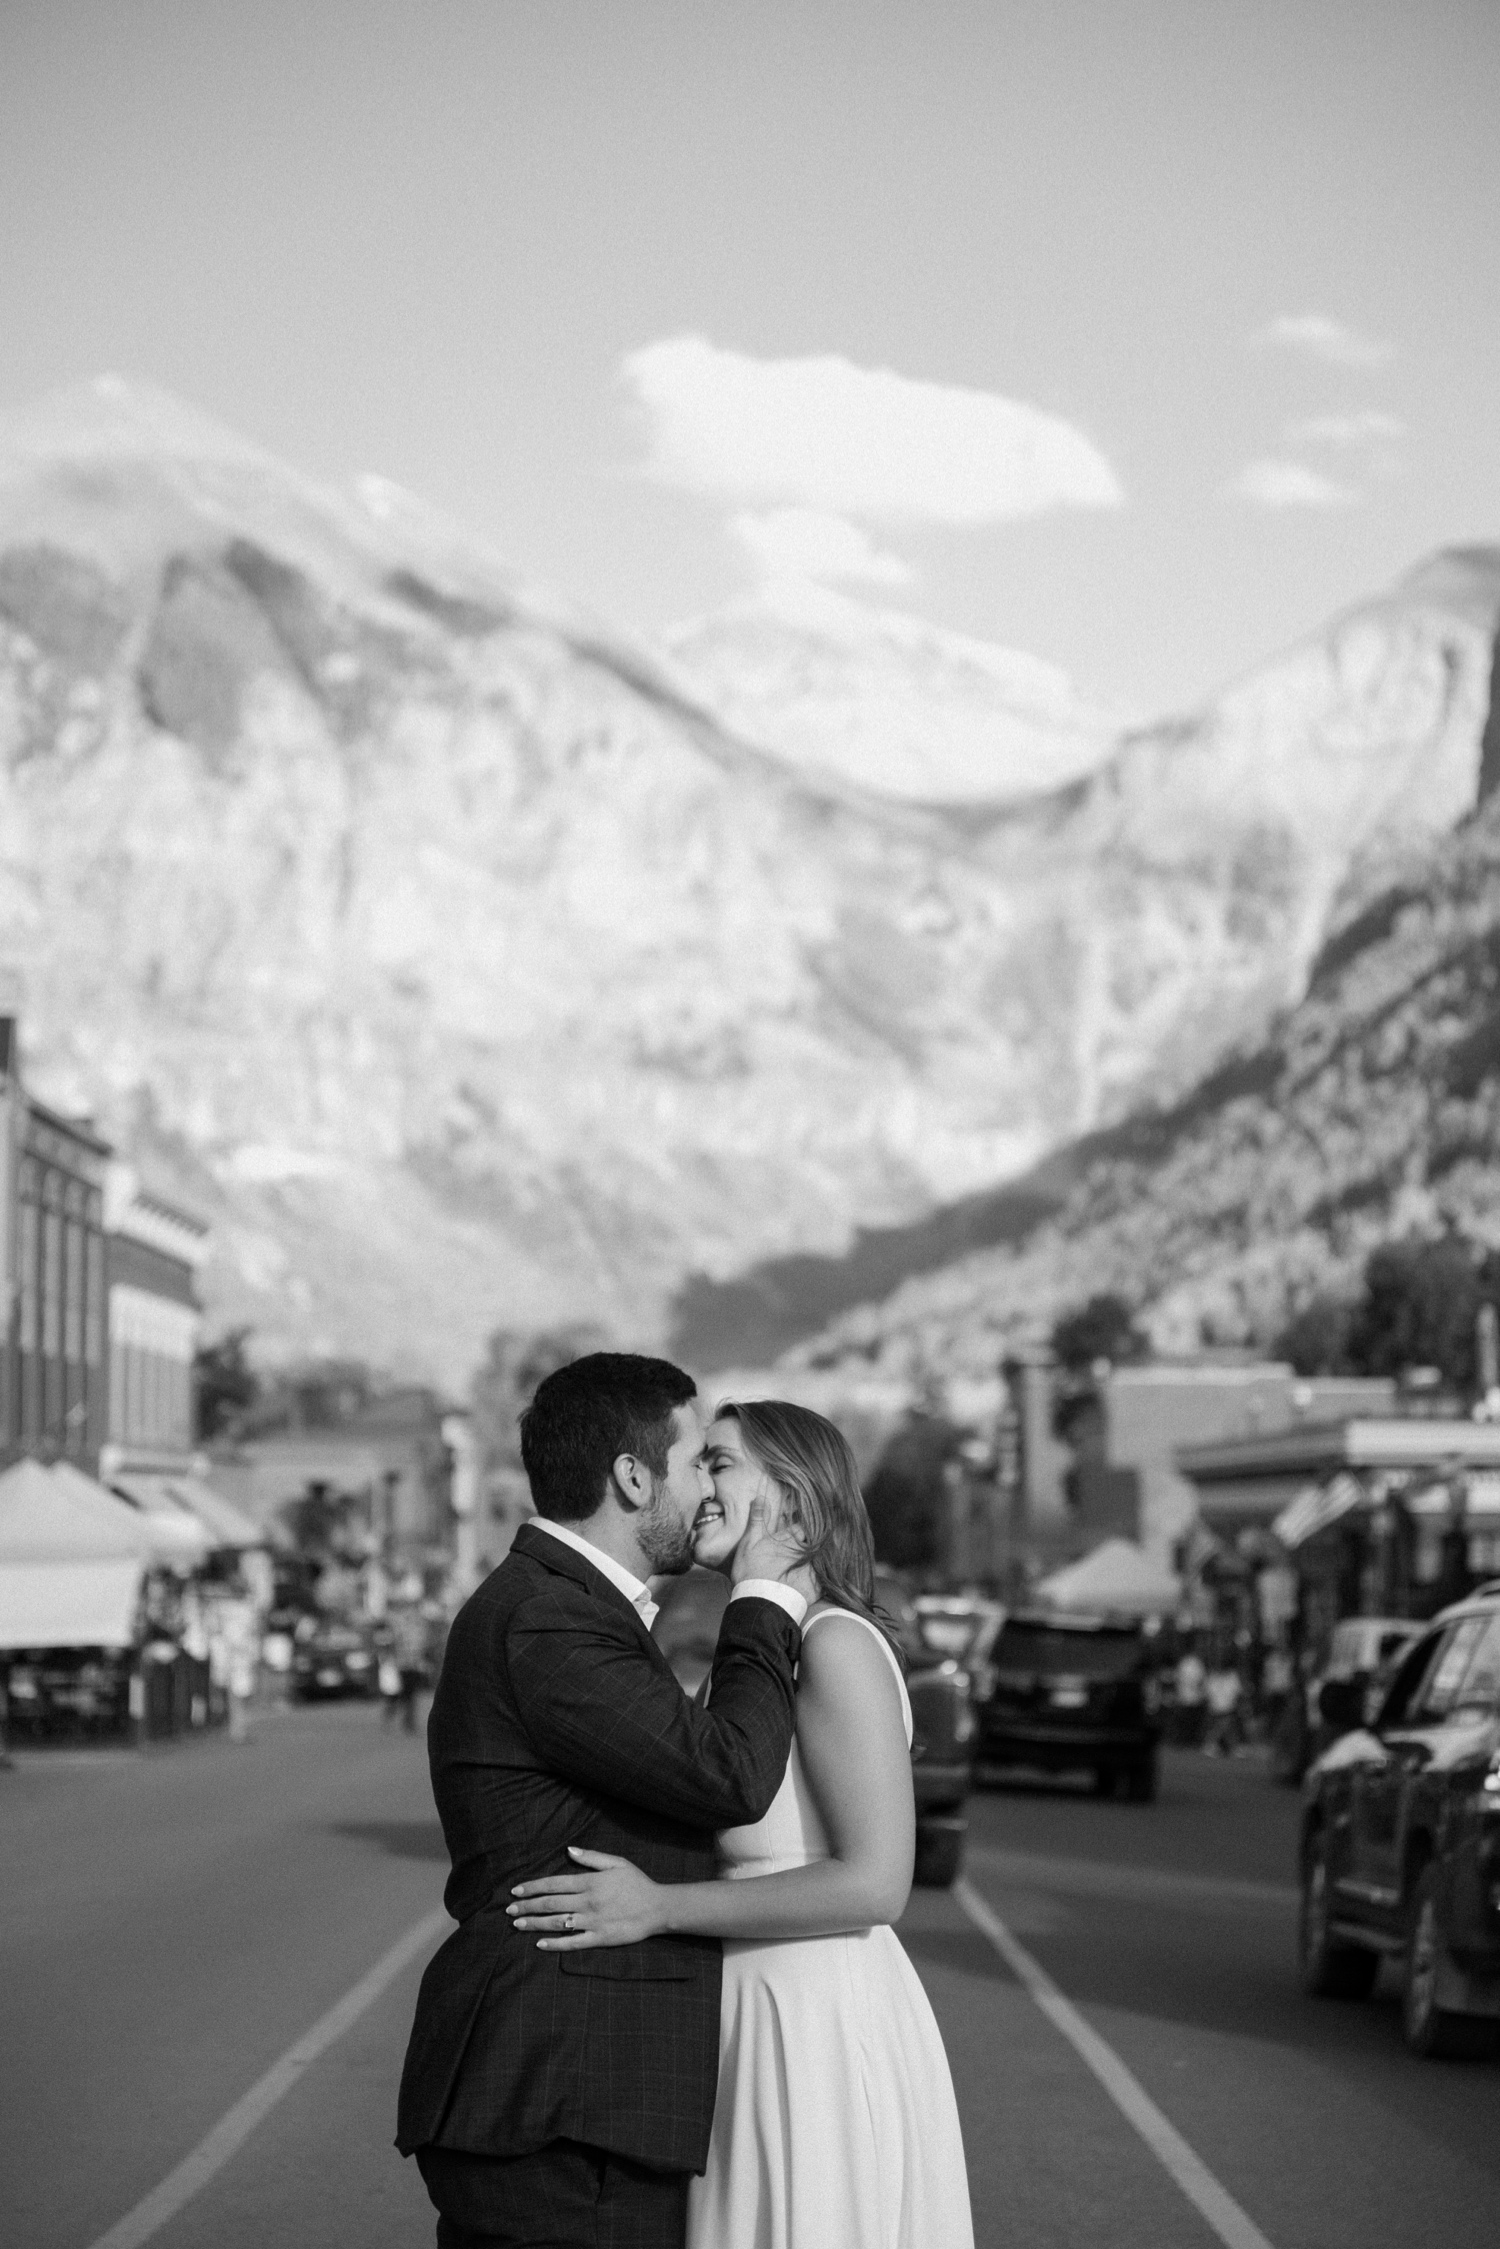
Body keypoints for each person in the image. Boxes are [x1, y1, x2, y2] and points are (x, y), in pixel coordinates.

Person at [510, 1399, 975, 2249]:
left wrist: (659, 1906)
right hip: (746, 2016)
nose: (697, 1485)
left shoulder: (834, 1643)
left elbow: (877, 1882)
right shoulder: (760, 1647)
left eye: (719, 1463)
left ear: (794, 1497)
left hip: (816, 2025)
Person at [396, 1353, 810, 2249]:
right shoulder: (550, 1614)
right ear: (632, 1476)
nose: (708, 1486)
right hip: (562, 2100)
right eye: (698, 1458)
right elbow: (730, 1773)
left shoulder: (573, 1606)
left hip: (581, 2104)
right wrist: (766, 1593)